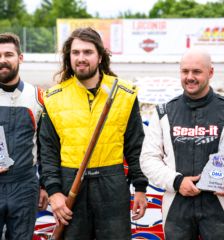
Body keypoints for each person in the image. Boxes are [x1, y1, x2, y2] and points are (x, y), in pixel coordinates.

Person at [39, 27, 148, 240]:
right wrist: (53, 192)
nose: (81, 58)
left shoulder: (124, 93)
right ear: (68, 57)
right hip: (70, 184)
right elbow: (47, 151)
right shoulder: (53, 97)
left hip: (112, 184)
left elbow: (136, 146)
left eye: (87, 52)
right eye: (75, 52)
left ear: (100, 57)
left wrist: (141, 187)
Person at [140, 48, 224, 240]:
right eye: (185, 71)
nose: (190, 77)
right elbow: (148, 159)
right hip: (177, 203)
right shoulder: (164, 112)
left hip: (218, 204)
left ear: (210, 72)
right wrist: (177, 182)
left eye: (196, 72)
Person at [0, 33, 48, 240]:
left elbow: (46, 146)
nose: (2, 60)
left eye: (8, 54)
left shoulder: (38, 97)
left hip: (25, 185)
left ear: (20, 58)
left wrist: (45, 185)